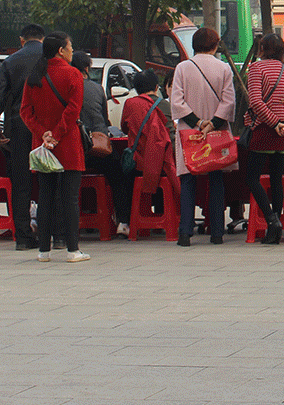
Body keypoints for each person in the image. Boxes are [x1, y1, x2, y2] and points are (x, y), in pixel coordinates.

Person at [19, 32, 90, 263]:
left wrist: (43, 133)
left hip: (42, 145)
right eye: (70, 47)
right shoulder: (73, 74)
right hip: (67, 143)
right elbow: (73, 110)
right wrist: (57, 134)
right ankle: (72, 249)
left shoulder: (35, 75)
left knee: (45, 196)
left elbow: (25, 111)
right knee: (70, 198)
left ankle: (43, 250)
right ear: (61, 50)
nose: (72, 51)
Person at [169, 26, 236, 246]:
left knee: (188, 179)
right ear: (215, 45)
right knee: (216, 179)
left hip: (189, 132)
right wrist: (212, 124)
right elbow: (228, 102)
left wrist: (198, 123)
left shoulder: (182, 68)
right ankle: (216, 232)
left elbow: (177, 101)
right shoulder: (224, 68)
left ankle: (185, 232)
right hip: (216, 132)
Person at [0, 23, 45, 251]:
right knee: (50, 180)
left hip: (18, 127)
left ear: (21, 40)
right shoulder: (52, 59)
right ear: (43, 38)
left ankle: (23, 237)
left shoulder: (11, 62)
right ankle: (55, 234)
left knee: (21, 184)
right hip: (47, 128)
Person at [243, 33, 284, 245]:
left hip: (265, 128)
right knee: (276, 177)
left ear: (262, 49)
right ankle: (275, 229)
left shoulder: (256, 69)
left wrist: (274, 123)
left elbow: (256, 102)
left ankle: (271, 219)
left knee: (252, 177)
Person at [73, 52, 131, 238]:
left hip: (75, 152)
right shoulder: (97, 89)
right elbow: (104, 121)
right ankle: (123, 221)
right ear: (86, 68)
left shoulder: (66, 88)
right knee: (119, 177)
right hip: (99, 149)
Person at [120, 70, 176, 214]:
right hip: (164, 163)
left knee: (123, 174)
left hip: (138, 164)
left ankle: (129, 218)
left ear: (136, 88)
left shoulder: (130, 104)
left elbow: (124, 128)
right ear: (157, 87)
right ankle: (162, 213)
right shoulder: (165, 105)